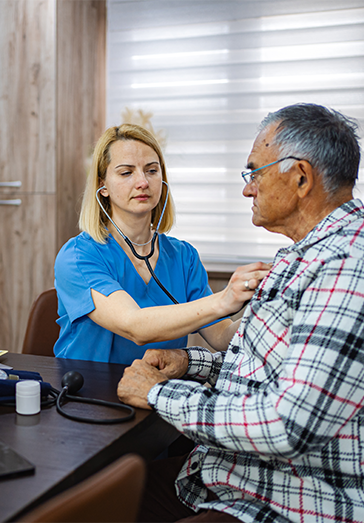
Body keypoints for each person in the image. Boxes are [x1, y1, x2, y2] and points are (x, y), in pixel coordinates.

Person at [117, 103, 364, 522]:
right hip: (232, 473)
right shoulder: (300, 256)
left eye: (254, 173)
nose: (248, 189)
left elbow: (288, 424)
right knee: (98, 495)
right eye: (126, 172)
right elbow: (264, 369)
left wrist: (160, 393)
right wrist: (188, 363)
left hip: (284, 499)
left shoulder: (345, 265)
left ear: (300, 177)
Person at [54, 124, 271, 364]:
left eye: (151, 170)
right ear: (101, 186)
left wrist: (269, 309)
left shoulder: (183, 256)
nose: (143, 182)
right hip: (88, 393)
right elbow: (135, 326)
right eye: (126, 173)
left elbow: (221, 336)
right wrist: (224, 299)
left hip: (160, 392)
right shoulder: (79, 256)